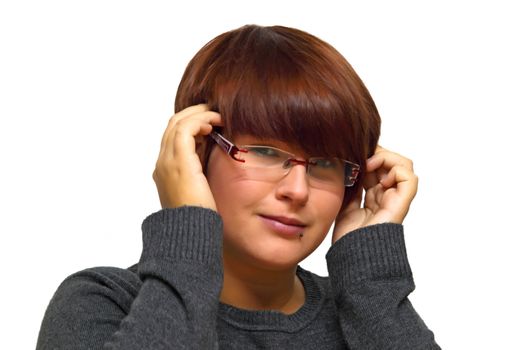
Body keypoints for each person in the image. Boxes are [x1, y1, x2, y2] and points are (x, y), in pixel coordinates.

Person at [36, 24, 440, 349]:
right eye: (265, 151)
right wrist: (187, 222)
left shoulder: (366, 313)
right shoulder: (103, 303)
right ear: (196, 152)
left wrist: (368, 278)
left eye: (325, 164)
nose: (297, 189)